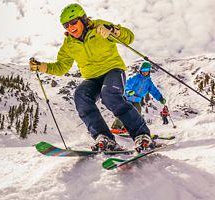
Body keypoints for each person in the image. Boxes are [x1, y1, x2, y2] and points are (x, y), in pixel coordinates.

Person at [29, 3, 154, 152]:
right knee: (80, 96)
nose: (70, 27)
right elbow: (62, 67)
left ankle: (142, 135)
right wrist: (41, 67)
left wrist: (114, 31)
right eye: (66, 25)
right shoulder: (68, 45)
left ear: (83, 19)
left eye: (73, 22)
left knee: (110, 95)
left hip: (113, 70)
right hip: (92, 78)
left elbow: (129, 38)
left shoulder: (99, 27)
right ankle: (104, 137)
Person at [111, 62, 167, 129]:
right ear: (141, 70)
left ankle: (129, 128)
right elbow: (128, 84)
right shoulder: (136, 78)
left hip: (137, 99)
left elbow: (154, 91)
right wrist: (128, 91)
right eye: (143, 70)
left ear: (149, 71)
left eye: (146, 71)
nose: (144, 72)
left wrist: (160, 98)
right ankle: (116, 126)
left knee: (137, 113)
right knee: (125, 111)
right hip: (128, 97)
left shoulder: (149, 82)